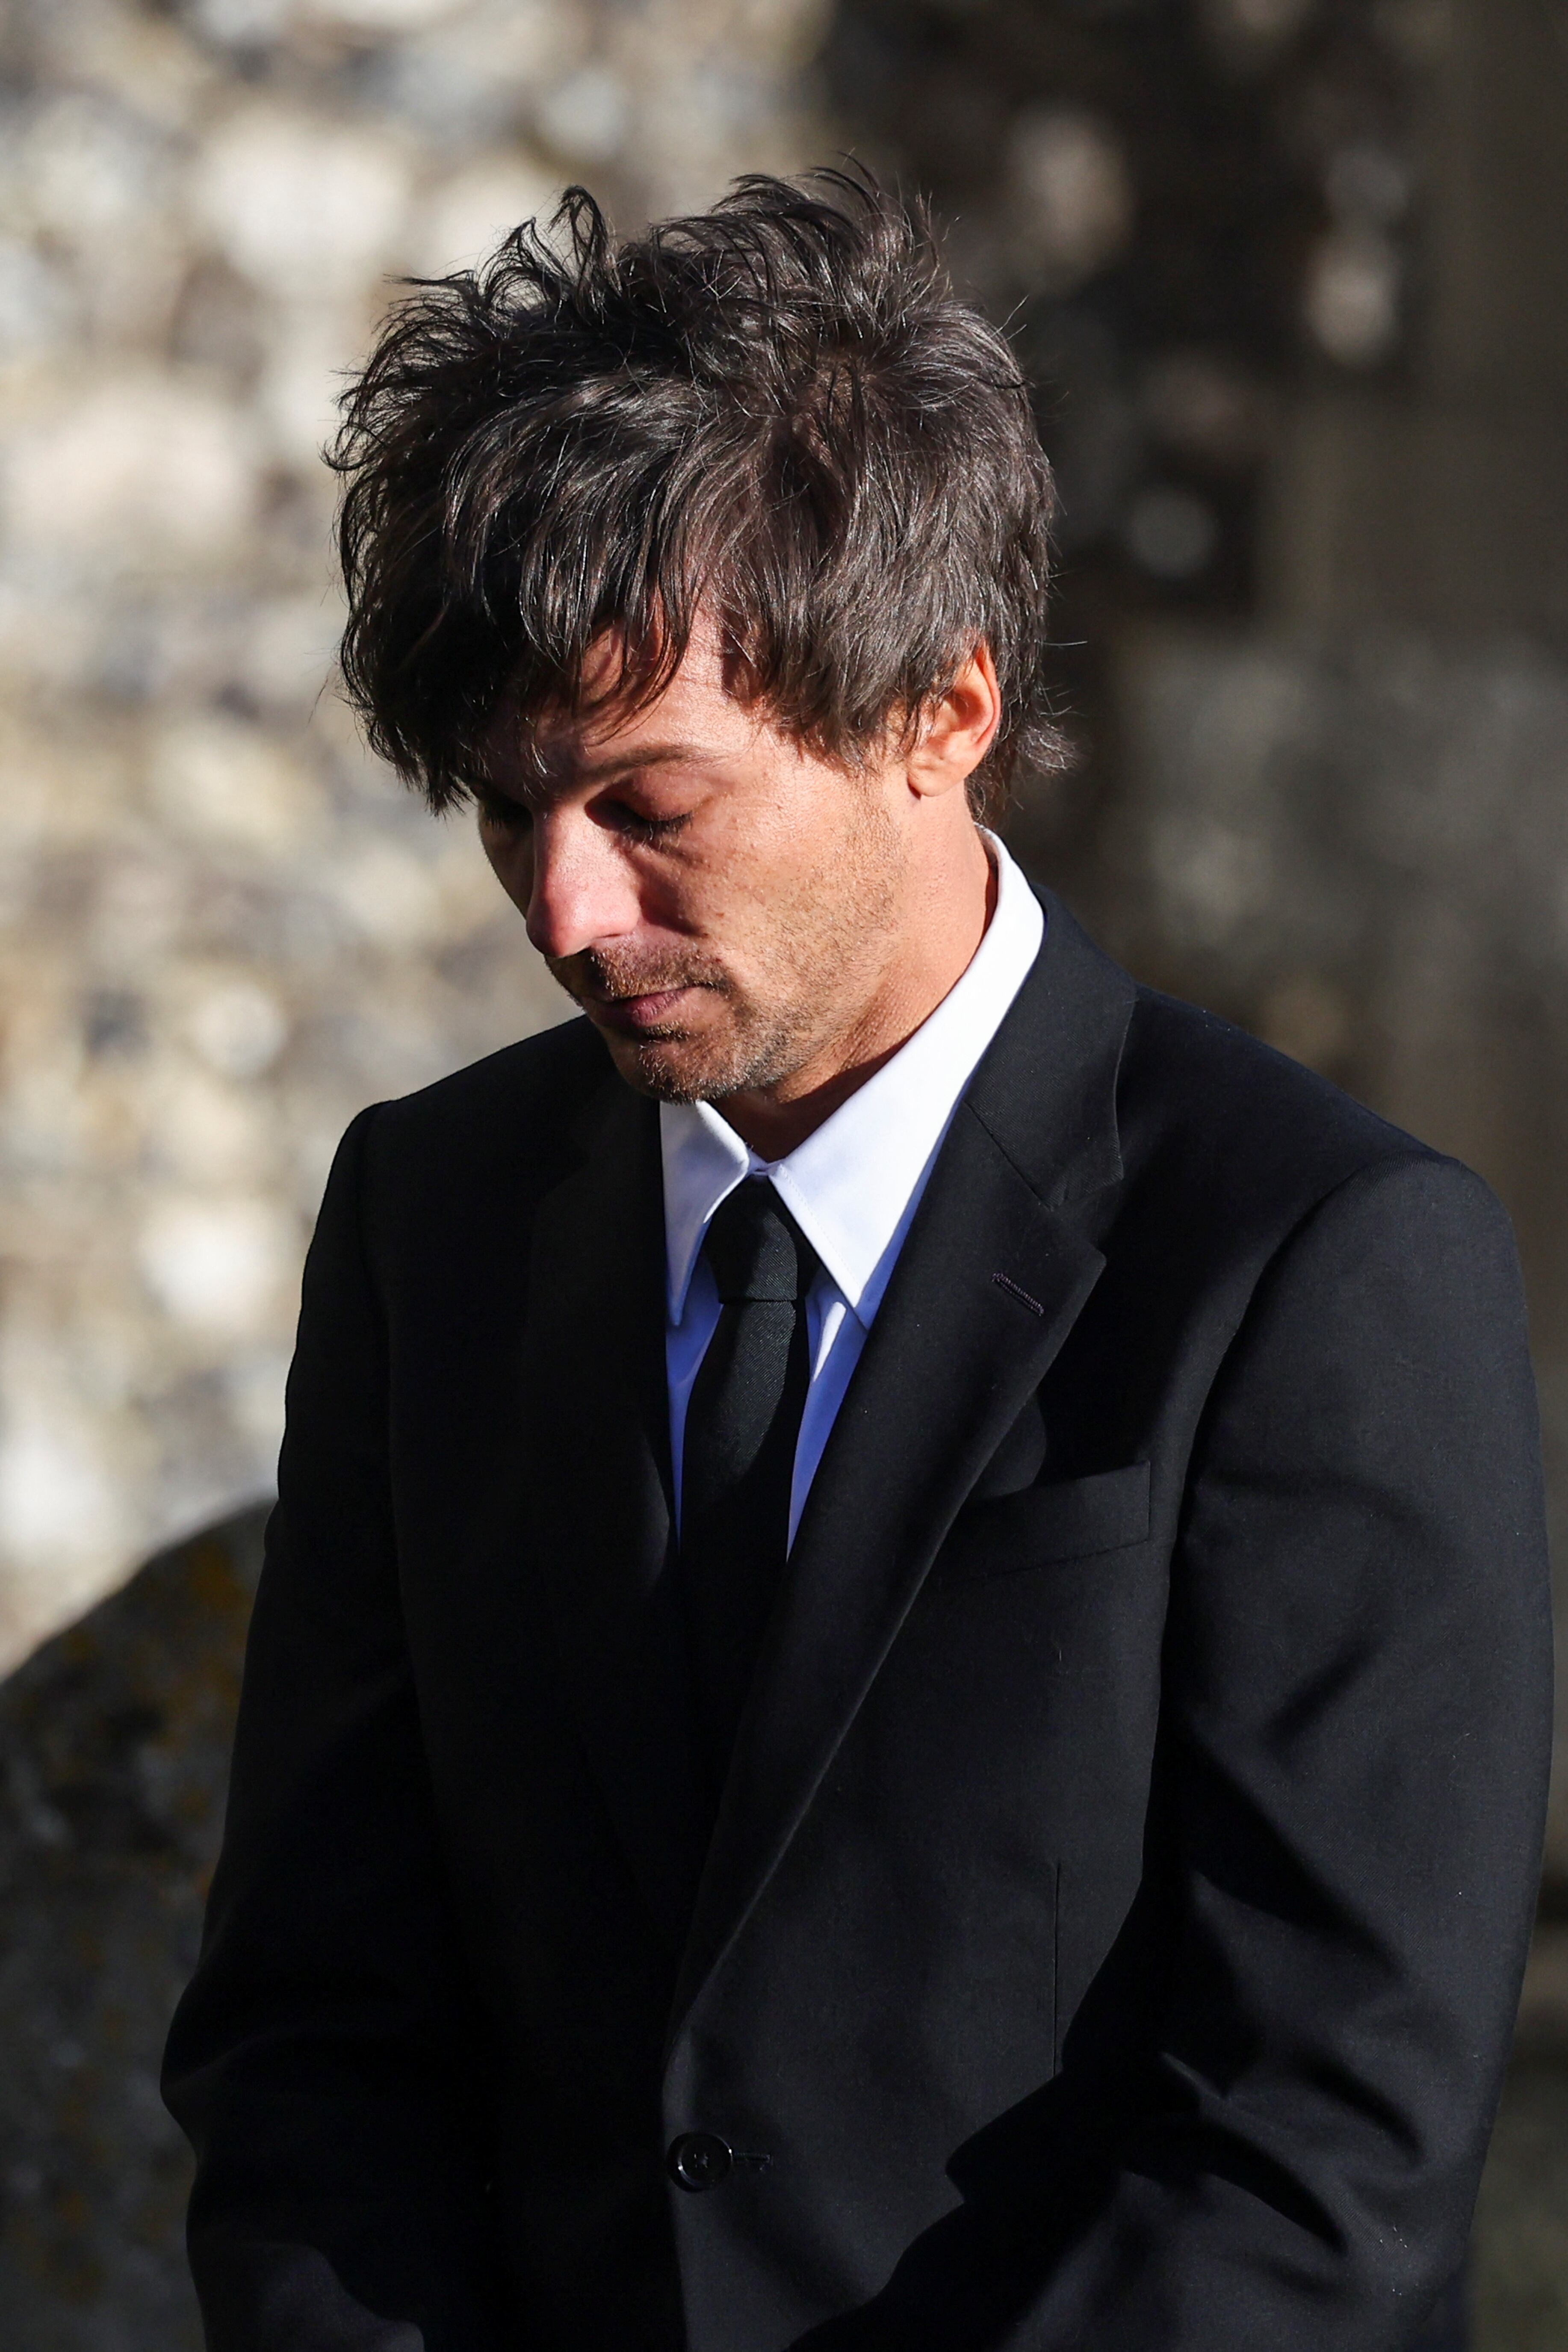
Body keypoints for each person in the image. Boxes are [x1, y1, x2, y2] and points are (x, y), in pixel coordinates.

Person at [163, 171, 1551, 2352]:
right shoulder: (429, 1221)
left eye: (648, 806)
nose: (562, 913)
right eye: (509, 807)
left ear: (943, 706)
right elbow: (316, 2038)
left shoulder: (1319, 1264)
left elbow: (1321, 2161)